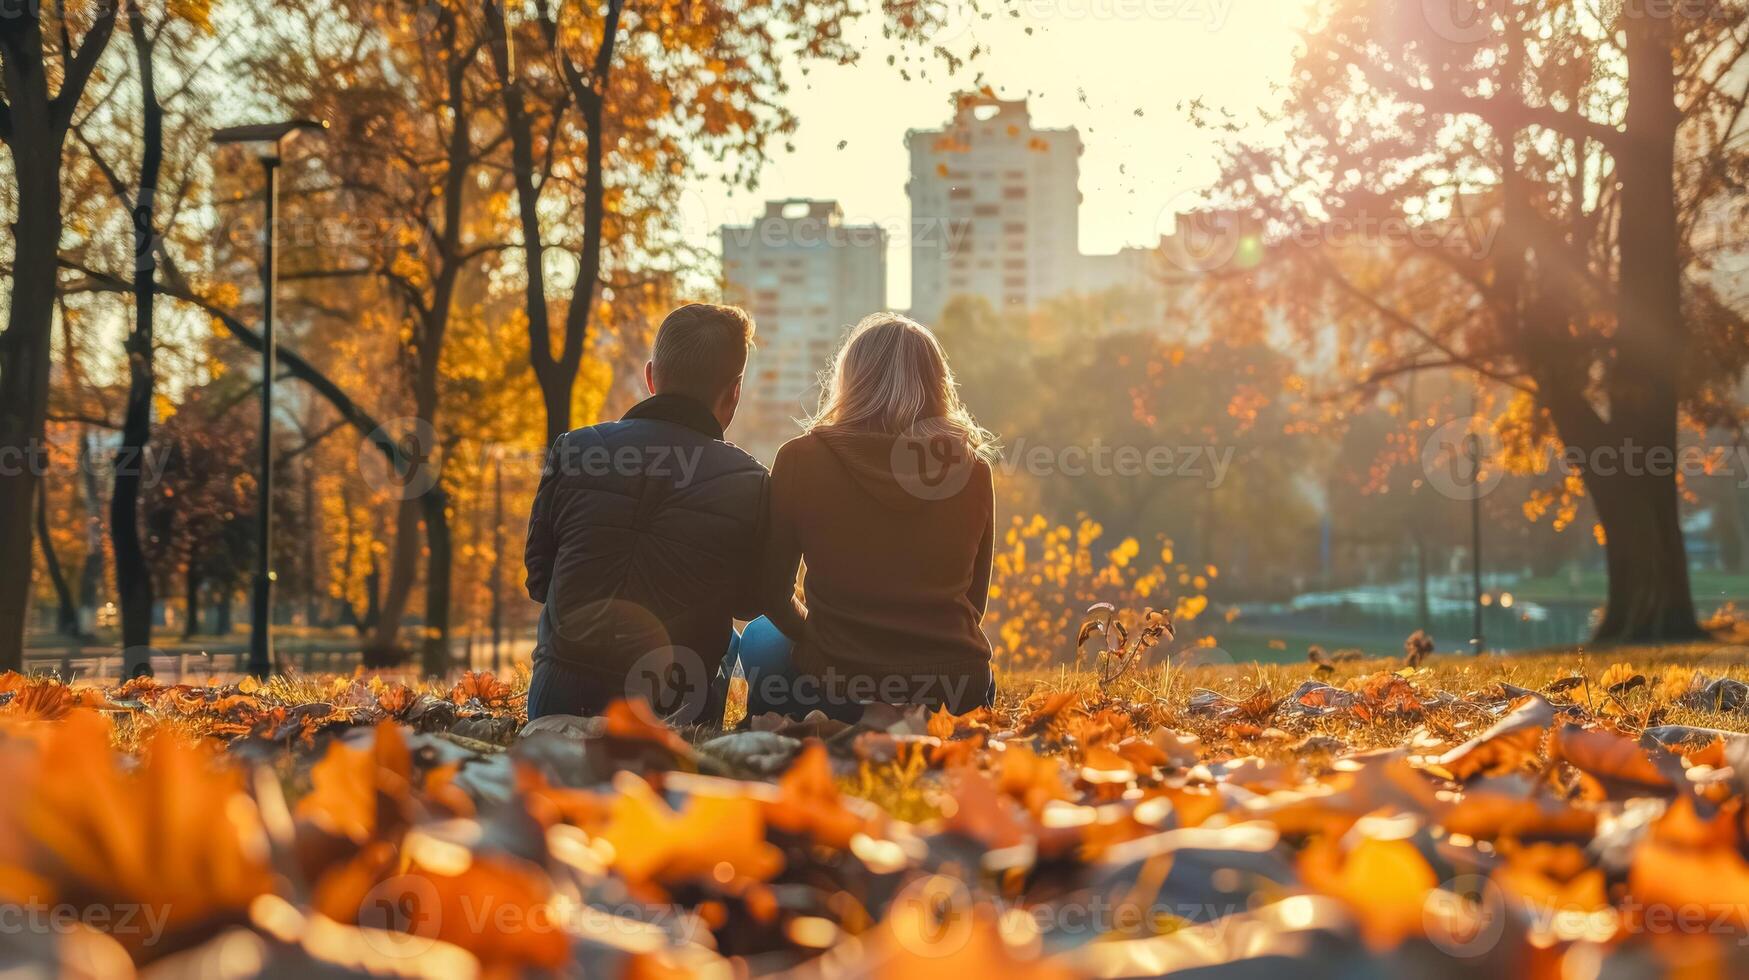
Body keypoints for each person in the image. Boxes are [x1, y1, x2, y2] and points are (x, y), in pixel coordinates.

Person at [735, 312, 998, 721]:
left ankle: (768, 725)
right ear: (937, 386)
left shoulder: (800, 460)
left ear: (851, 381)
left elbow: (772, 594)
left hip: (837, 689)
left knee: (760, 637)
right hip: (955, 694)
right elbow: (972, 605)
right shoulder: (972, 470)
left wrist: (821, 638)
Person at [523, 304, 767, 724]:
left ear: (652, 377)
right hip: (670, 707)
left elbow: (539, 580)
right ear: (734, 392)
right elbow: (751, 602)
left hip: (556, 700)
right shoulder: (751, 481)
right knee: (728, 637)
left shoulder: (575, 449)